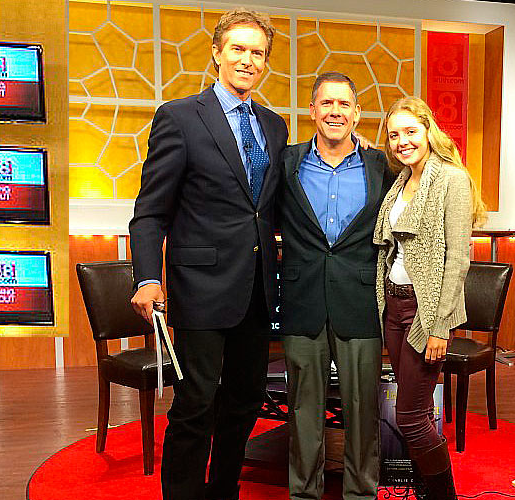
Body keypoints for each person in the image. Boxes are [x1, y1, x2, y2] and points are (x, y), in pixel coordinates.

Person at [128, 8, 288, 500]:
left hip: (257, 290)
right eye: (238, 49)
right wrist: (147, 278)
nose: (247, 60)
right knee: (194, 405)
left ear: (265, 63)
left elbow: (269, 208)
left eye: (257, 52)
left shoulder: (275, 126)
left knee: (245, 402)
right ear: (216, 53)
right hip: (199, 288)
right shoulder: (178, 117)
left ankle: (223, 492)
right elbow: (150, 212)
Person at [278, 71, 393, 500]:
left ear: (357, 114)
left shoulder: (382, 166)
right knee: (303, 409)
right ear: (312, 110)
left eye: (344, 104)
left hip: (359, 300)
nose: (335, 112)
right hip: (301, 299)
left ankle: (361, 493)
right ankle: (303, 494)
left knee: (363, 410)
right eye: (326, 103)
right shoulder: (285, 162)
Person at [373, 96, 485, 500]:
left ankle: (442, 496)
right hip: (393, 304)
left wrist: (440, 326)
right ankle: (423, 490)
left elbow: (457, 259)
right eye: (394, 135)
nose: (402, 141)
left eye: (410, 131)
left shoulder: (451, 179)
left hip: (424, 311)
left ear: (428, 130)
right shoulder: (402, 180)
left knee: (410, 418)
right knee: (414, 411)